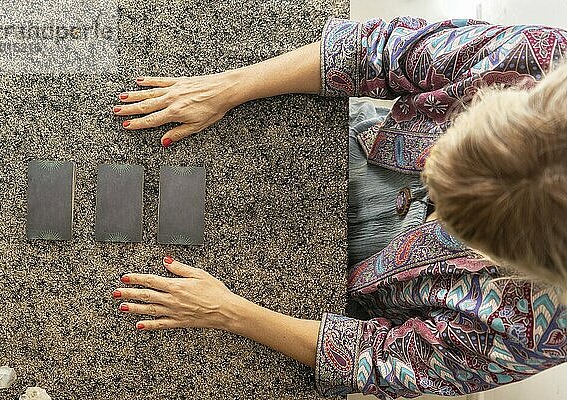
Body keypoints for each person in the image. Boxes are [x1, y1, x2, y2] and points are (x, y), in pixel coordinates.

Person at [111, 16, 567, 398]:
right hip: (337, 147)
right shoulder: (543, 59)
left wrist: (228, 312)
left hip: (329, 276)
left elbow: (387, 363)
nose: (427, 182)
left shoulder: (545, 325)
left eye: (450, 214)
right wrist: (228, 86)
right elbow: (378, 50)